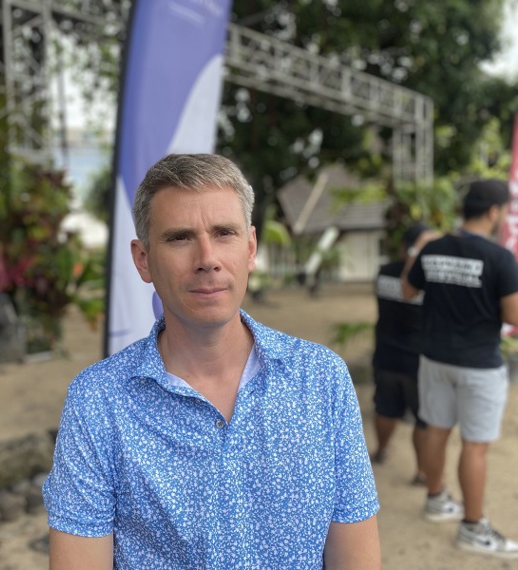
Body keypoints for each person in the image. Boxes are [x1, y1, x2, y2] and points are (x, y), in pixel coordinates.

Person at [43, 153, 380, 569]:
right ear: (142, 259)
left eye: (224, 233)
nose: (207, 258)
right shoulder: (98, 403)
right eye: (179, 237)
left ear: (251, 247)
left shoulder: (321, 380)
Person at [402, 179, 518, 558]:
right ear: (493, 212)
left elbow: (408, 291)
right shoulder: (501, 258)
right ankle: (472, 526)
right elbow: (513, 316)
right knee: (475, 446)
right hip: (479, 366)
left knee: (435, 430)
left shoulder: (434, 248)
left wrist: (416, 251)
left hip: (434, 359)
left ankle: (436, 499)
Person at [370, 222, 437, 485]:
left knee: (385, 408)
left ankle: (382, 450)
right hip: (417, 360)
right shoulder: (426, 280)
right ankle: (422, 472)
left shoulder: (383, 271)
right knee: (423, 419)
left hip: (385, 353)